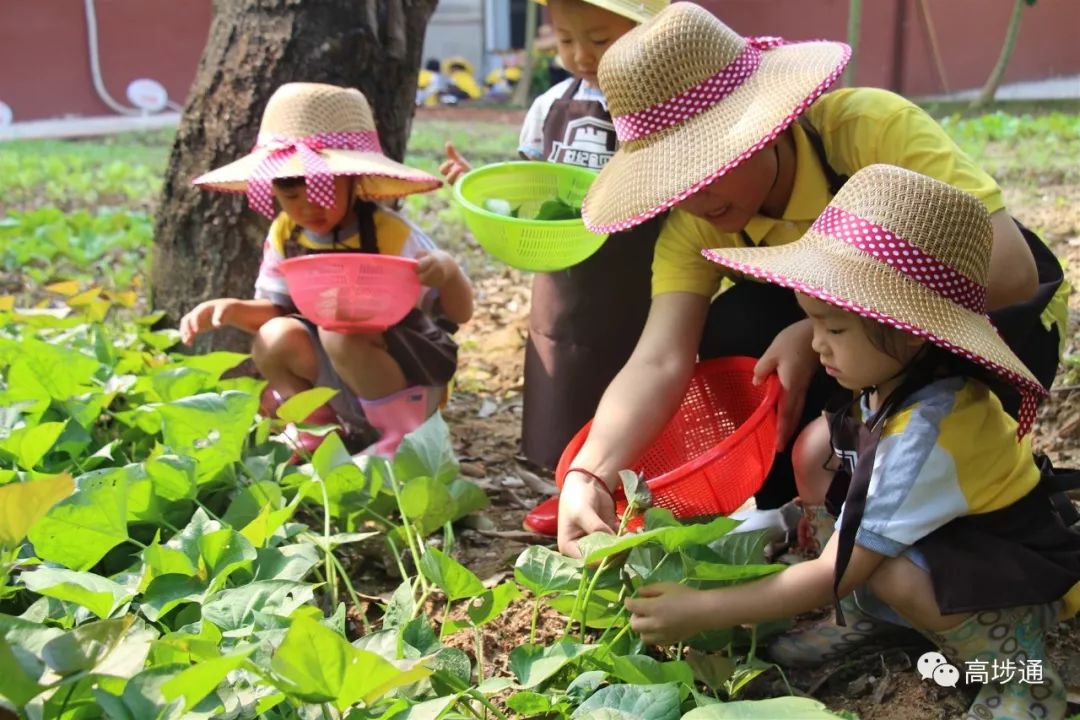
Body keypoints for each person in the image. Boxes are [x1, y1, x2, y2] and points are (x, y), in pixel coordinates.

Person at [557, 2, 1066, 556]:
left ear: (766, 123)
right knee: (735, 328)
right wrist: (590, 473)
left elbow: (1009, 273)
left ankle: (966, 515)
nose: (694, 195)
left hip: (989, 330)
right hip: (868, 354)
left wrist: (825, 324)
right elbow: (659, 359)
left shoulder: (865, 132)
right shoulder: (695, 227)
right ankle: (814, 504)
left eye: (709, 162)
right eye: (672, 178)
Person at [624, 164, 1080, 720]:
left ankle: (1019, 675)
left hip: (1011, 564)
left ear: (909, 327)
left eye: (834, 329)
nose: (817, 344)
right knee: (817, 449)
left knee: (885, 569)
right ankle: (877, 613)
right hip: (950, 533)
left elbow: (832, 569)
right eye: (811, 322)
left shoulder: (929, 433)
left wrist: (705, 609)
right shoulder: (893, 381)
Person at [440, 0, 669, 535]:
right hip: (564, 271)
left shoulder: (662, 105)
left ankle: (636, 486)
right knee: (562, 370)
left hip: (638, 267)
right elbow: (527, 184)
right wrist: (479, 184)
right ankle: (567, 487)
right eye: (566, 41)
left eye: (600, 39)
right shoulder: (551, 105)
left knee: (635, 365)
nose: (581, 55)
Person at [179, 83, 473, 459]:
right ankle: (318, 427)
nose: (306, 207)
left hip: (405, 374)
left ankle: (402, 438)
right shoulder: (286, 233)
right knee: (273, 336)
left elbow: (459, 313)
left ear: (354, 179)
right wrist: (233, 310)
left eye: (321, 189)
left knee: (340, 334)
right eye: (290, 192)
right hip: (338, 380)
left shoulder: (392, 234)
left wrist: (448, 272)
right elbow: (278, 311)